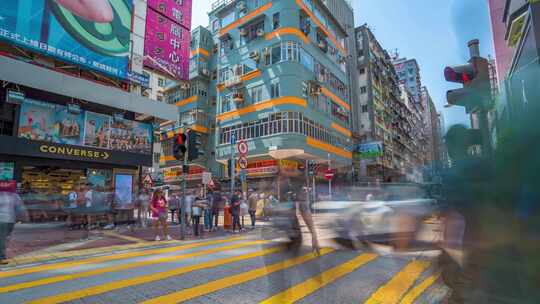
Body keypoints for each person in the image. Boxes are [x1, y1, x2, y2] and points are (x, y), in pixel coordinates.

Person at [0, 186, 27, 264]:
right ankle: (1, 257)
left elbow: (20, 208)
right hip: (9, 220)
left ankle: (1, 257)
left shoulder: (14, 195)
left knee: (2, 238)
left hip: (5, 220)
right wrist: (22, 217)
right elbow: (20, 208)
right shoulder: (14, 195)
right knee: (3, 238)